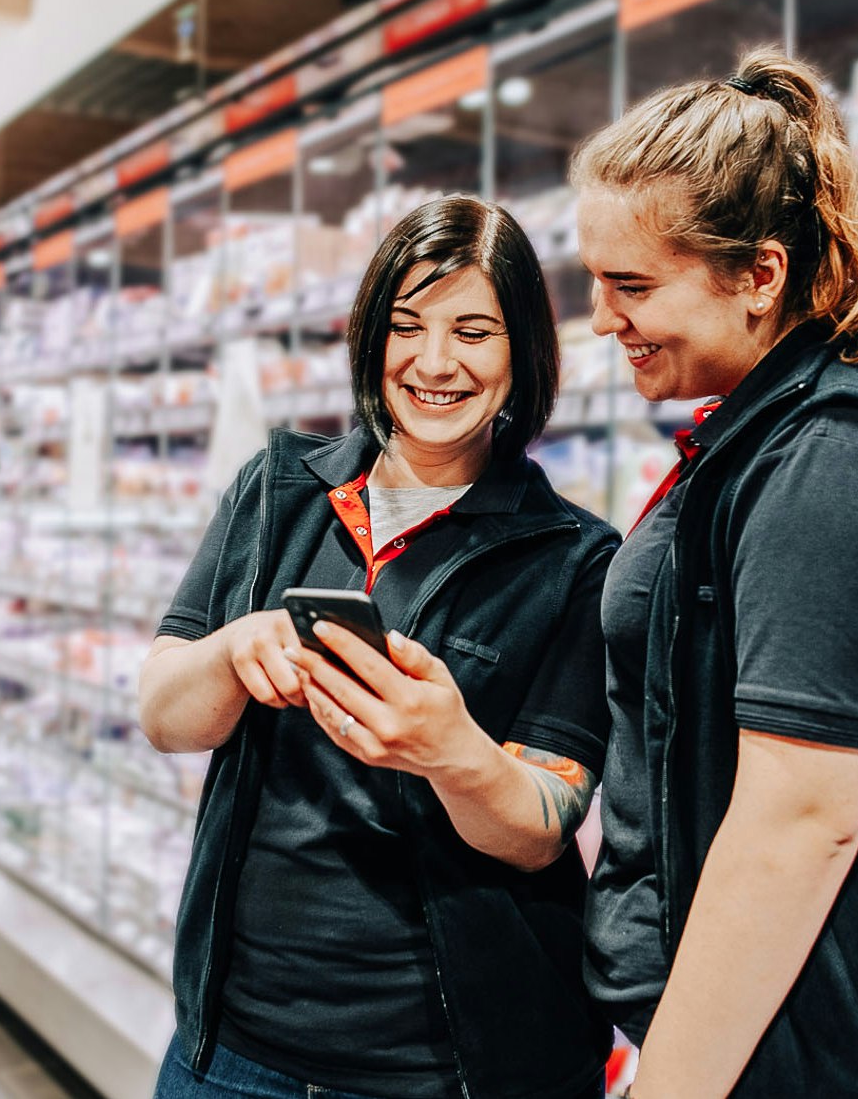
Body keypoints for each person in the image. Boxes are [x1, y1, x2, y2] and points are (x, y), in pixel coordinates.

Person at [573, 49, 858, 1098]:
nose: (602, 319)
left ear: (758, 275)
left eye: (630, 285)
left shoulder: (840, 459)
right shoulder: (771, 432)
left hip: (843, 1059)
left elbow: (798, 821)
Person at [139, 194, 617, 1099]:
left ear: (523, 350)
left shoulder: (575, 561)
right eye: (406, 326)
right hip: (233, 1050)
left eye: (473, 331)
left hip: (446, 1069)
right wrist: (235, 650)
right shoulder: (279, 489)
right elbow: (165, 716)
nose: (435, 362)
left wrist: (452, 753)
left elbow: (540, 829)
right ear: (370, 339)